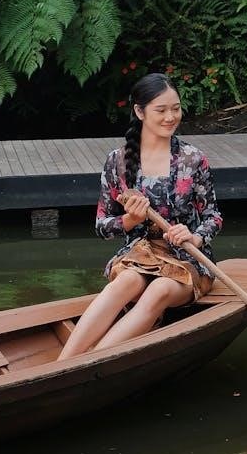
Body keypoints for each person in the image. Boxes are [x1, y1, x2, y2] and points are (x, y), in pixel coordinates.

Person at [58, 73, 222, 359]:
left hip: (187, 259)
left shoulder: (193, 159)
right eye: (161, 110)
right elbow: (102, 226)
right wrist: (129, 221)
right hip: (138, 255)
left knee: (158, 290)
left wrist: (194, 237)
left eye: (176, 108)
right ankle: (63, 364)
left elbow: (213, 216)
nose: (171, 117)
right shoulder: (118, 161)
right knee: (125, 283)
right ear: (139, 111)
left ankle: (90, 362)